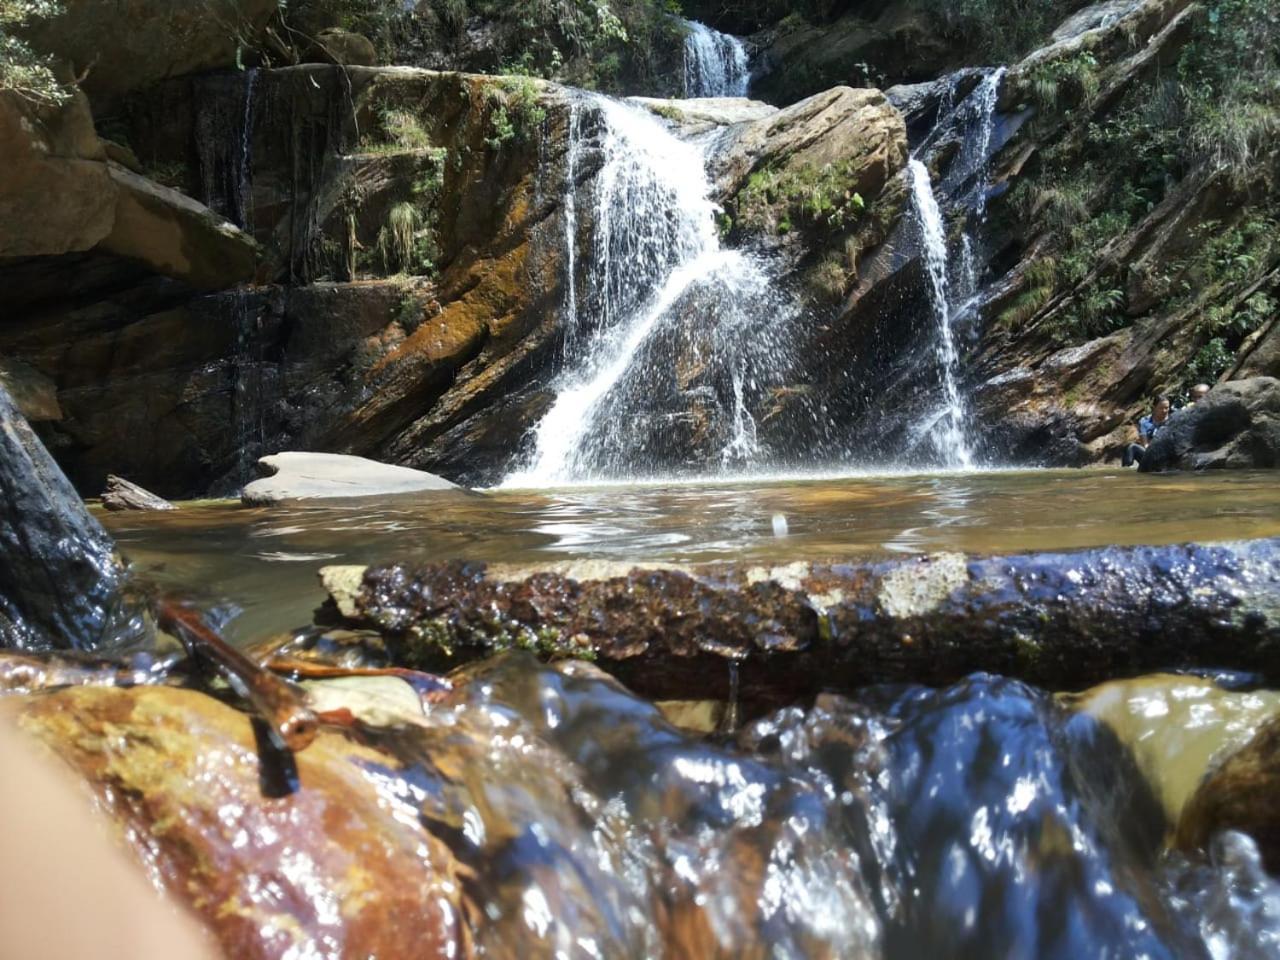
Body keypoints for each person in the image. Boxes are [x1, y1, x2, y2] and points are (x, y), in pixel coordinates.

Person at [1122, 395, 1171, 467]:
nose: (1164, 411)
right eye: (1161, 408)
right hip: (1151, 455)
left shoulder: (1173, 421)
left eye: (1166, 408)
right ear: (1154, 407)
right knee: (1131, 447)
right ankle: (1126, 473)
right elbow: (1145, 444)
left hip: (1168, 456)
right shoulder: (1145, 421)